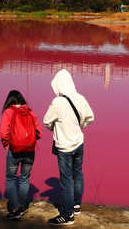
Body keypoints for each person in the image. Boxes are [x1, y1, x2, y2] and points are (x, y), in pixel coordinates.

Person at [43, 69, 95, 226]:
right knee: (78, 173)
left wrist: (56, 129)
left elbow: (46, 121)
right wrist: (79, 126)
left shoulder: (57, 102)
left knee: (66, 180)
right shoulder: (80, 98)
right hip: (79, 143)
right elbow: (90, 117)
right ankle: (76, 205)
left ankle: (67, 215)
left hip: (64, 147)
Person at [0, 90, 42, 220]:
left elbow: (3, 133)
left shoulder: (8, 112)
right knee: (24, 178)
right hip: (30, 151)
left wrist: (6, 145)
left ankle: (14, 209)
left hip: (14, 150)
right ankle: (22, 206)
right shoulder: (30, 111)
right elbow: (39, 132)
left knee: (11, 178)